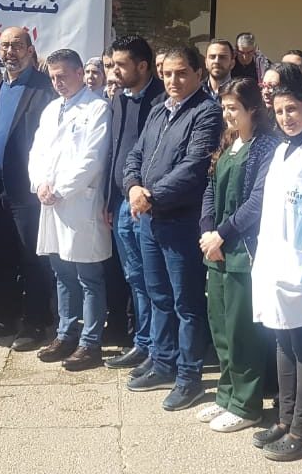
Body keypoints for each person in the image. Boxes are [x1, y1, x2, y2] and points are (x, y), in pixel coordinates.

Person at [121, 45, 222, 411]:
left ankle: (189, 377)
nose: (173, 80)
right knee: (158, 295)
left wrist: (151, 196)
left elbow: (195, 167)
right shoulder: (159, 108)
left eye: (181, 73)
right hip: (150, 218)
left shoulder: (206, 112)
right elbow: (136, 154)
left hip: (181, 221)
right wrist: (133, 187)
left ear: (198, 74)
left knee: (186, 303)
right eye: (167, 74)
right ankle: (163, 363)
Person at [250, 65, 302, 461]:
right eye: (280, 111)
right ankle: (284, 419)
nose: (286, 117)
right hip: (275, 263)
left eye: (293, 109)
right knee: (282, 341)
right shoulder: (281, 151)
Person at [194, 77, 280, 432]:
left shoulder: (266, 148)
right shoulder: (229, 142)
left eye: (234, 108)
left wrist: (222, 234)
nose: (227, 114)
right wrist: (206, 229)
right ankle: (226, 396)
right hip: (216, 249)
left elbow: (257, 201)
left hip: (243, 251)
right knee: (220, 327)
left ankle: (247, 405)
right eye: (224, 107)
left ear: (253, 110)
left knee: (242, 329)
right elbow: (210, 188)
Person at [29, 49, 113, 370]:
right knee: (62, 273)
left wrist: (60, 189)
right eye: (53, 77)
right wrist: (40, 183)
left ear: (80, 73)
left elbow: (93, 158)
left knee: (88, 276)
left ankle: (90, 343)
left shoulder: (97, 108)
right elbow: (37, 151)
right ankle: (66, 334)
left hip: (80, 202)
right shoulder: (52, 109)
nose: (58, 82)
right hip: (50, 203)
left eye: (63, 75)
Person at [0, 27, 57, 350]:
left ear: (30, 50)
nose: (10, 52)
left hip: (27, 190)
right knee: (0, 255)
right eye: (5, 46)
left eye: (17, 46)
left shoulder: (44, 88)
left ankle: (36, 322)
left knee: (32, 257)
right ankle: (4, 315)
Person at [104, 36, 166, 373]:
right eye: (112, 64)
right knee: (134, 277)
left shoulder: (162, 101)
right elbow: (113, 152)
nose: (114, 71)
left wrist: (144, 195)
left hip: (147, 204)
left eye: (120, 65)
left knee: (153, 280)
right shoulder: (119, 98)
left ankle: (158, 347)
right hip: (120, 203)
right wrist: (108, 200)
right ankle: (142, 342)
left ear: (142, 66)